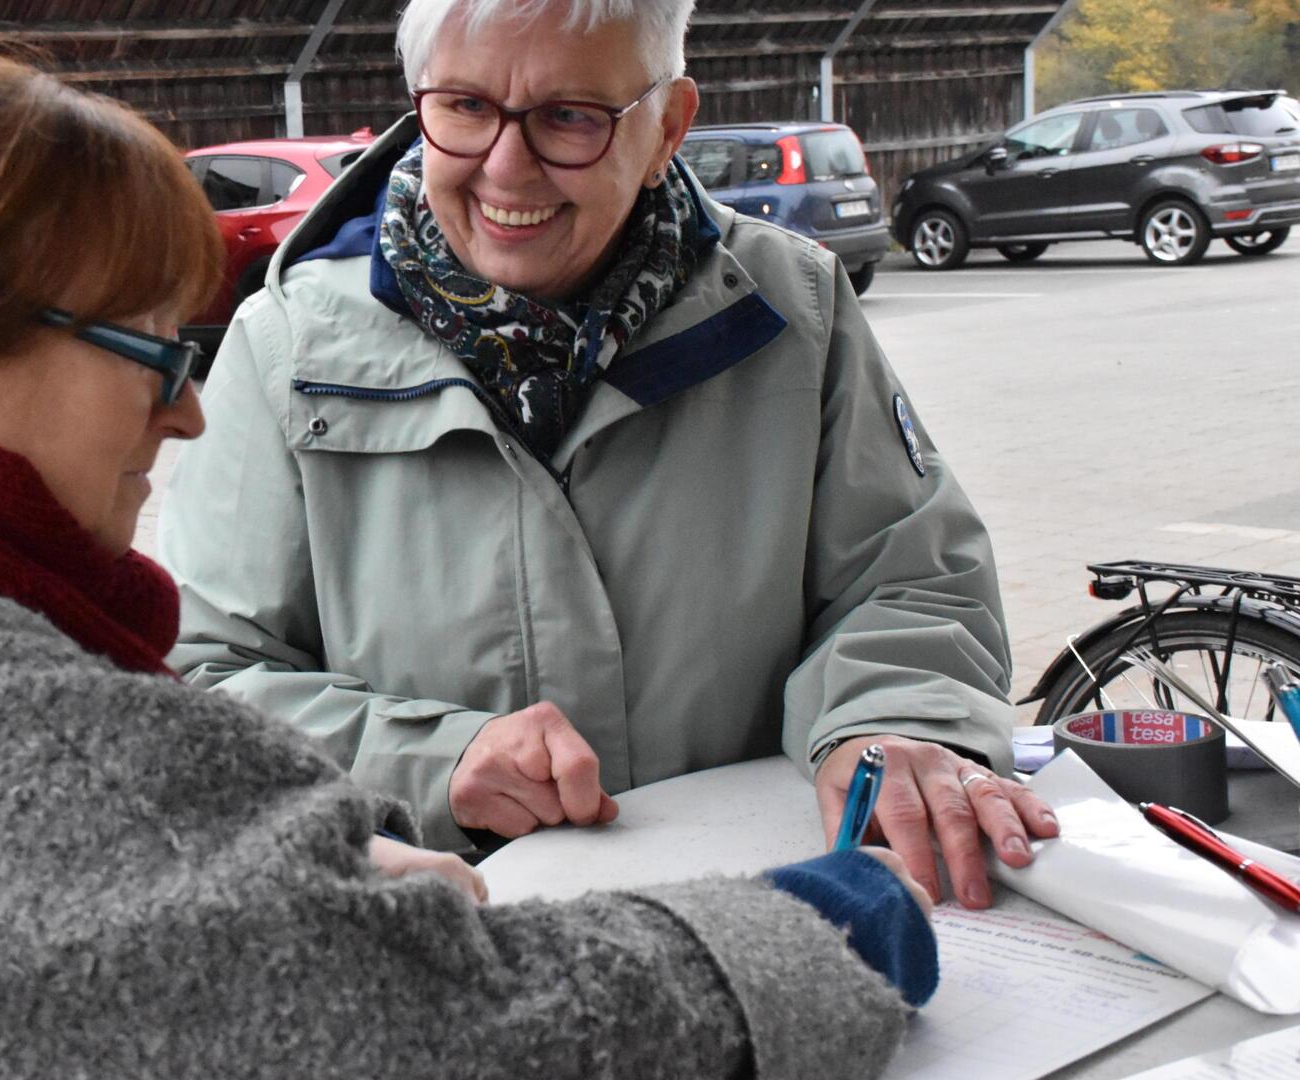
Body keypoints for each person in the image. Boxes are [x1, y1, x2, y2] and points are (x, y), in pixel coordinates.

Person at [0, 47, 936, 1078]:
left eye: (567, 115)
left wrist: (254, 879)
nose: (185, 408)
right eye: (154, 351)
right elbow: (494, 1036)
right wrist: (839, 923)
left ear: (666, 119)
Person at [158, 0, 1058, 911]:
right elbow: (197, 678)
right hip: (458, 955)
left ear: (667, 128)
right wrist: (434, 760)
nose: (507, 167)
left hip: (765, 925)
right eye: (466, 107)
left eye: (569, 118)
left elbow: (911, 581)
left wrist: (889, 721)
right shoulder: (288, 350)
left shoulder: (795, 313)